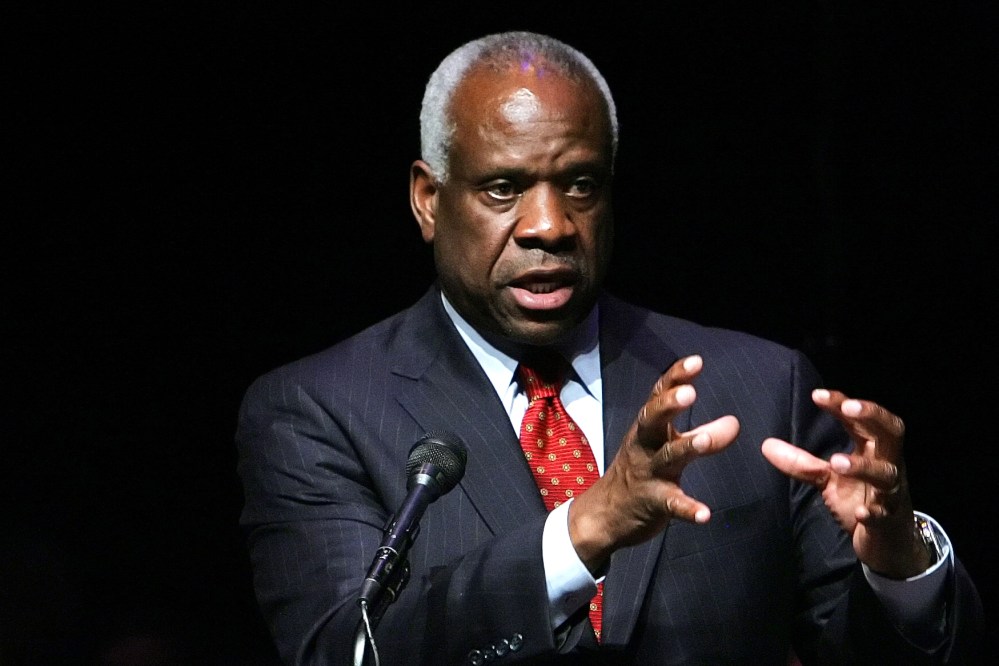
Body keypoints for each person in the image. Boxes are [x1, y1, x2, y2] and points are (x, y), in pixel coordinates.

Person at [236, 31, 984, 665]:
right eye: (503, 189)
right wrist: (583, 528)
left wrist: (899, 566)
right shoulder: (319, 411)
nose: (550, 225)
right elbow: (343, 648)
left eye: (581, 185)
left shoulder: (758, 388)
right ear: (428, 199)